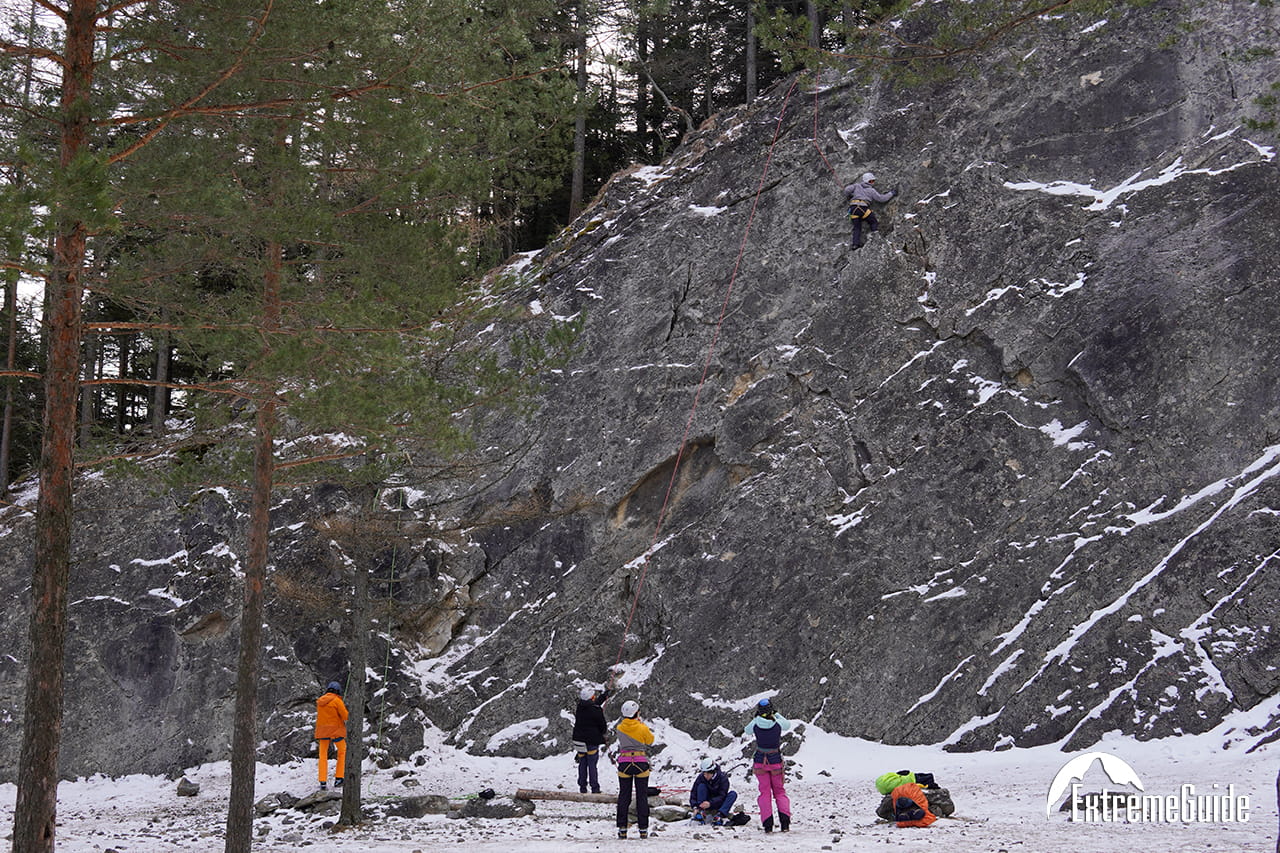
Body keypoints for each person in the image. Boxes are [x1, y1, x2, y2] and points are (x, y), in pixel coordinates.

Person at [743, 697, 792, 832]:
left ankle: (768, 825)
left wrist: (756, 718)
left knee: (764, 793)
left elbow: (747, 730)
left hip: (760, 760)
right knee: (780, 792)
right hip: (775, 759)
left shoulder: (756, 723)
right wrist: (776, 714)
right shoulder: (777, 722)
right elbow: (787, 724)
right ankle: (785, 823)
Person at [613, 699, 655, 839]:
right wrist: (641, 724)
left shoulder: (619, 728)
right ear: (636, 713)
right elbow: (650, 740)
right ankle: (643, 828)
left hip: (624, 763)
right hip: (640, 762)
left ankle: (622, 828)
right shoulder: (642, 727)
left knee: (624, 796)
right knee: (641, 795)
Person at [571, 684, 610, 794]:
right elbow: (602, 726)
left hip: (579, 740)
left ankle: (582, 787)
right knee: (592, 764)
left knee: (582, 763)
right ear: (591, 697)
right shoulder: (596, 710)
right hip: (591, 741)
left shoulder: (580, 707)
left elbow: (592, 705)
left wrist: (603, 697)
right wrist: (603, 734)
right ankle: (595, 788)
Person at [843, 171, 896, 249]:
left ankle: (855, 244)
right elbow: (882, 198)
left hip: (853, 209)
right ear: (867, 181)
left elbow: (847, 190)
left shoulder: (856, 186)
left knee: (857, 227)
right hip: (863, 208)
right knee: (873, 222)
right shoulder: (871, 190)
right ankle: (875, 239)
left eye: (873, 181)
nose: (872, 183)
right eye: (871, 181)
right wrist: (891, 193)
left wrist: (850, 195)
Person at [314, 680, 349, 790]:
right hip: (335, 731)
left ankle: (323, 781)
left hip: (322, 731)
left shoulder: (320, 702)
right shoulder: (337, 701)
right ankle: (339, 778)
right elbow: (345, 716)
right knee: (342, 751)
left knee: (323, 756)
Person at [689, 758, 738, 825]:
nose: (705, 776)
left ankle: (720, 815)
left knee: (733, 794)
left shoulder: (723, 779)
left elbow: (722, 796)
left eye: (707, 774)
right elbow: (694, 793)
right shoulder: (701, 777)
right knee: (701, 786)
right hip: (705, 802)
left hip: (718, 803)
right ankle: (700, 812)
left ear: (712, 772)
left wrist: (710, 803)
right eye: (704, 773)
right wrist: (695, 806)